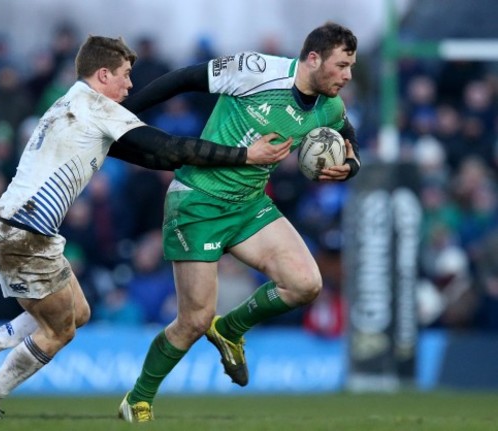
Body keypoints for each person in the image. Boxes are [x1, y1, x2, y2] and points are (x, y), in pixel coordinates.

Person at [0, 35, 288, 420]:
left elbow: (150, 155)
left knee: (78, 312)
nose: (131, 85)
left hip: (20, 229)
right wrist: (243, 156)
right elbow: (167, 147)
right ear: (103, 74)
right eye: (125, 75)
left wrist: (185, 166)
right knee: (59, 331)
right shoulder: (98, 107)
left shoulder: (72, 102)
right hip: (24, 234)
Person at [117, 22, 361, 422]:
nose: (348, 75)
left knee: (306, 284)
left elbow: (349, 141)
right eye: (342, 65)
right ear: (313, 58)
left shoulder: (330, 107)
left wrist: (349, 167)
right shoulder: (258, 70)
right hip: (197, 203)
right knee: (193, 320)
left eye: (351, 66)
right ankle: (138, 399)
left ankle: (230, 329)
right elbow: (185, 78)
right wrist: (122, 115)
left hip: (249, 206)